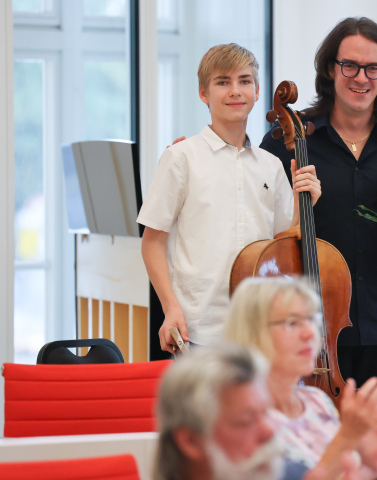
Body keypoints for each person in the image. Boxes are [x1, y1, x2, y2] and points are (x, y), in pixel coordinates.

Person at [260, 17, 377, 424]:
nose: (362, 77)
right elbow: (260, 222)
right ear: (330, 69)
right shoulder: (290, 139)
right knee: (307, 447)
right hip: (306, 325)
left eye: (374, 67)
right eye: (350, 65)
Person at [137, 43, 321, 352]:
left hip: (261, 330)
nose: (235, 91)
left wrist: (305, 203)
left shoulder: (271, 166)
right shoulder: (180, 157)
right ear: (203, 93)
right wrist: (170, 308)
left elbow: (283, 244)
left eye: (244, 81)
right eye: (223, 82)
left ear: (257, 91)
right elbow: (152, 242)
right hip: (199, 330)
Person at [224, 276, 377, 480]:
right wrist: (347, 438)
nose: (309, 333)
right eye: (292, 322)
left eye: (311, 320)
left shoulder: (317, 401)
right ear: (252, 331)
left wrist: (370, 465)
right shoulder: (241, 420)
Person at [153, 342, 367, 480]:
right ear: (191, 440)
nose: (270, 430)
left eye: (266, 412)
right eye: (246, 421)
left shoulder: (292, 472)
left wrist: (371, 467)